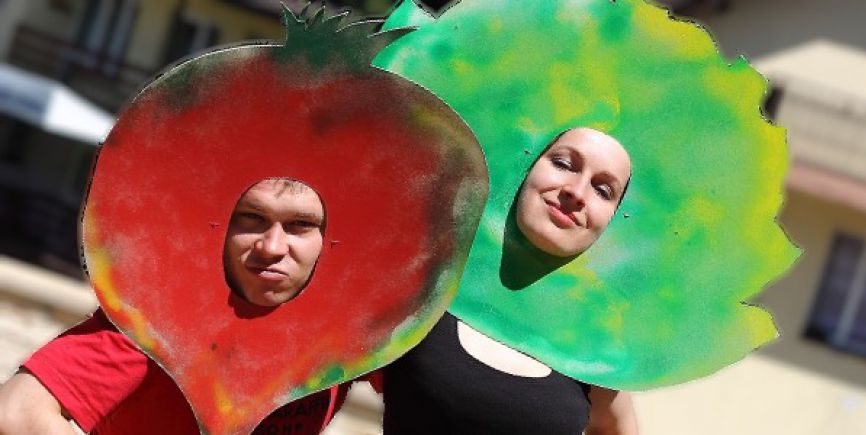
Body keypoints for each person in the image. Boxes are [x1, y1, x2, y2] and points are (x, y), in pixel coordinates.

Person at [0, 178, 344, 435]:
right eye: (251, 217)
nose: (272, 247)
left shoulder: (351, 328)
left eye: (300, 225)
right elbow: (17, 411)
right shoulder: (162, 322)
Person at [381, 127, 640, 435]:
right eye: (563, 164)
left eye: (603, 190)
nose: (577, 191)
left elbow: (613, 427)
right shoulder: (426, 280)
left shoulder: (593, 347)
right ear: (526, 167)